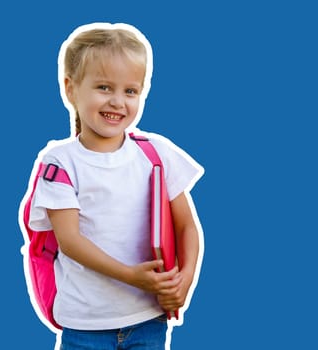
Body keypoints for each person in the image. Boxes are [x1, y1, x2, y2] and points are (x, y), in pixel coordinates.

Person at [23, 23, 204, 349]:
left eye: (130, 91)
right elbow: (70, 241)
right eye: (104, 87)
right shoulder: (60, 163)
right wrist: (130, 276)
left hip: (149, 319)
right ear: (70, 88)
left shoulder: (156, 153)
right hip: (85, 324)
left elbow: (186, 225)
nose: (118, 102)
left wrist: (186, 278)